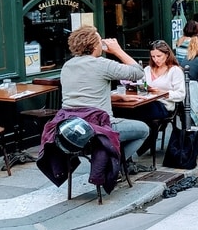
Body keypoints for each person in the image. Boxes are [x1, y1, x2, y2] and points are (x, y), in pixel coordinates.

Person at [59, 25, 149, 170]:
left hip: (72, 129)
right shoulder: (102, 64)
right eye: (100, 41)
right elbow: (138, 72)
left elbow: (85, 94)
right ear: (95, 46)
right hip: (98, 127)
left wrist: (119, 98)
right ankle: (112, 164)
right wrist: (117, 50)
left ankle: (108, 161)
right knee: (144, 130)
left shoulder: (67, 65)